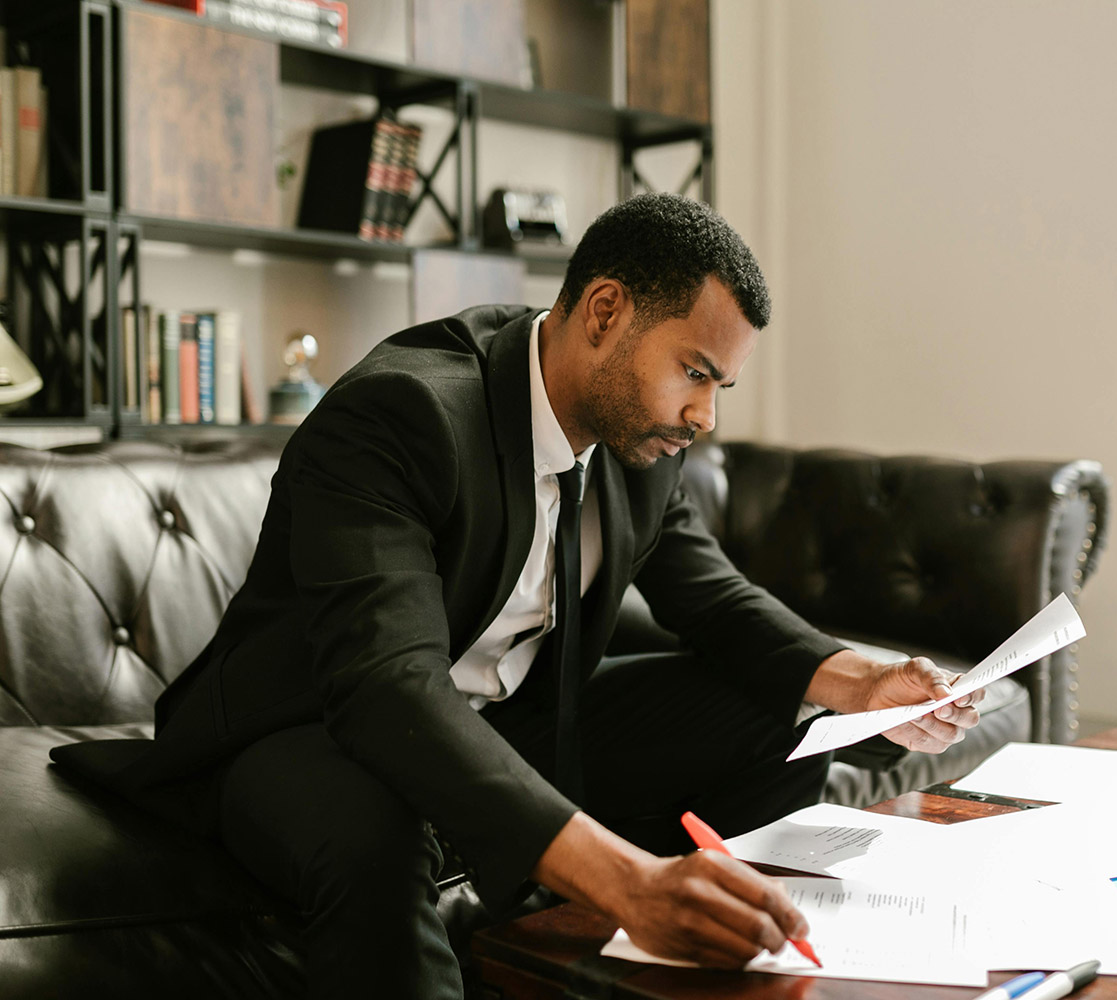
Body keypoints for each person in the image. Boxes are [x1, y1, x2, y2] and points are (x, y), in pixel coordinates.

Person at [52, 193, 982, 998]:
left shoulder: (636, 444)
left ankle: (721, 957)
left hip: (507, 723)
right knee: (375, 833)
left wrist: (857, 680)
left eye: (721, 384)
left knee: (772, 708)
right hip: (308, 732)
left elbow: (715, 601)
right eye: (695, 371)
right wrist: (624, 879)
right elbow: (388, 690)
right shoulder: (403, 414)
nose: (707, 416)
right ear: (606, 311)